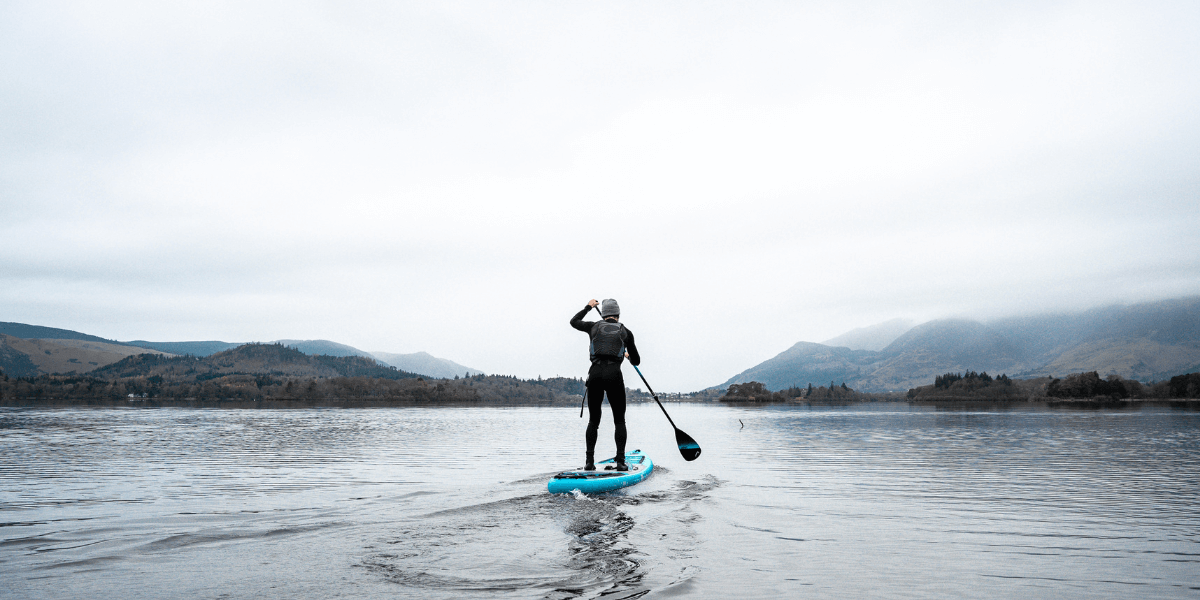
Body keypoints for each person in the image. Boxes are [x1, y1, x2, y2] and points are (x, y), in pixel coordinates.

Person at [570, 298, 641, 471]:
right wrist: (627, 356)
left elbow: (573, 322)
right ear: (617, 314)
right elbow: (637, 361)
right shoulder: (626, 332)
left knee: (593, 421)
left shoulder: (593, 327)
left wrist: (588, 307)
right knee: (619, 421)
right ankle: (620, 462)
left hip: (594, 375)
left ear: (605, 313)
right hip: (614, 376)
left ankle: (589, 462)